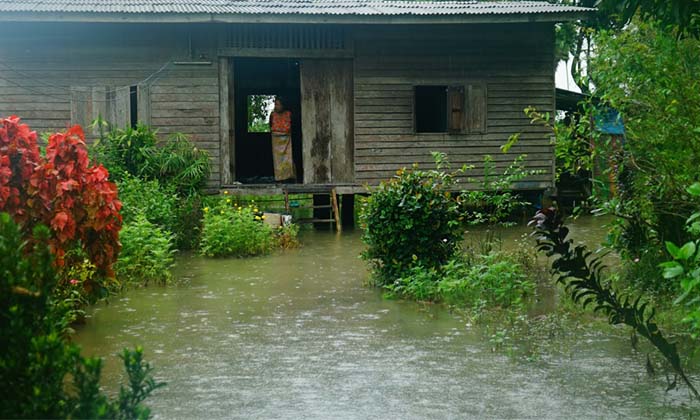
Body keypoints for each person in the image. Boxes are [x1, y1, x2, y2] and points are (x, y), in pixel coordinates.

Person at [269, 97, 295, 182]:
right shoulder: (273, 115)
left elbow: (292, 125)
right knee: (278, 161)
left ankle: (288, 177)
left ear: (283, 105)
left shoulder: (288, 114)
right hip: (276, 139)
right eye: (275, 104)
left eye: (278, 104)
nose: (276, 106)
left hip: (287, 139)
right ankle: (279, 178)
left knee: (287, 159)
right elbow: (270, 125)